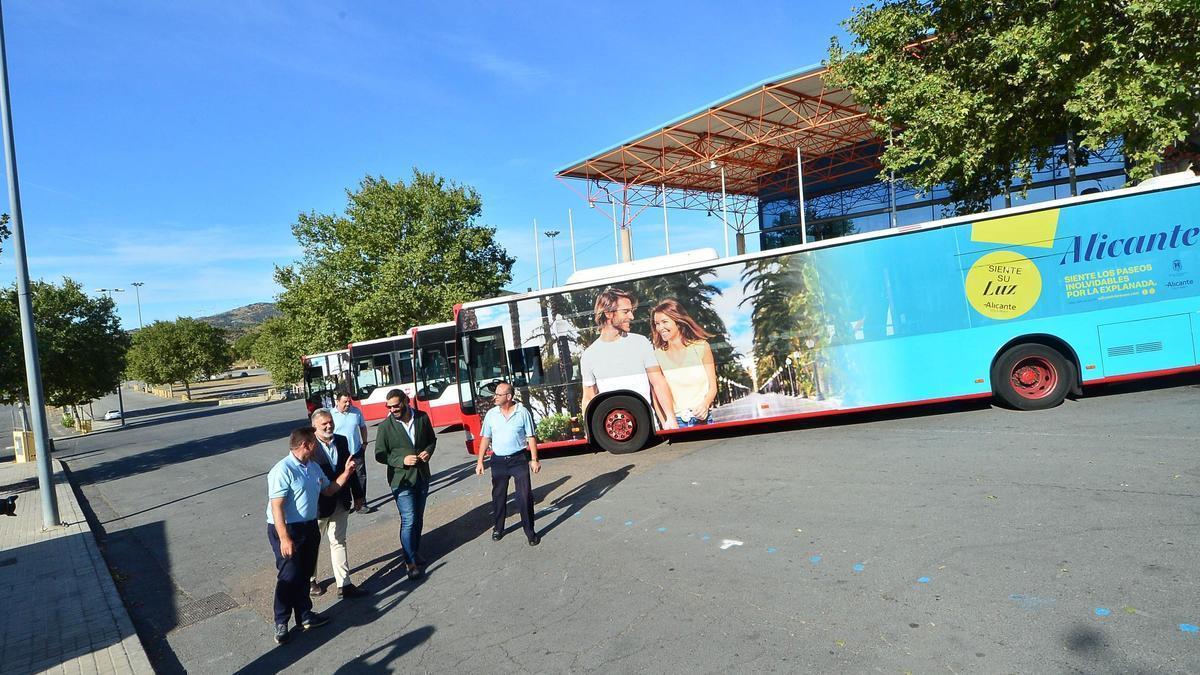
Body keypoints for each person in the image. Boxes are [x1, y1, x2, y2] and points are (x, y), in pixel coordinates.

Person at [266, 426, 358, 645]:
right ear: (305, 445)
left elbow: (329, 490)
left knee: (305, 573)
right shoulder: (282, 470)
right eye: (314, 443)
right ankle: (281, 622)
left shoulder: (313, 467)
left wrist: (346, 473)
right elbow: (276, 507)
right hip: (287, 529)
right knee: (289, 576)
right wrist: (285, 538)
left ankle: (304, 615)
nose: (317, 447)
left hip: (309, 526)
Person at [579, 287, 678, 429]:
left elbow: (658, 383)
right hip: (614, 436)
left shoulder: (641, 343)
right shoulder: (589, 355)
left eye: (631, 311)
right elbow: (588, 398)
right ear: (608, 313)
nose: (631, 317)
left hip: (649, 429)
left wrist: (670, 418)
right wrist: (589, 431)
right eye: (625, 312)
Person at [374, 388, 436, 580]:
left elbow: (431, 440)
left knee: (418, 517)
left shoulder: (422, 418)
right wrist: (401, 460)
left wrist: (427, 451)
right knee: (408, 519)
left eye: (396, 405)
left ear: (406, 401)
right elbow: (380, 454)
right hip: (401, 481)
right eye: (389, 407)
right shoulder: (385, 427)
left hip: (422, 476)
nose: (392, 410)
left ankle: (414, 551)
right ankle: (409, 562)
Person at [307, 408, 366, 599]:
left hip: (341, 500)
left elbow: (351, 468)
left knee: (339, 542)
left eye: (330, 421)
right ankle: (310, 581)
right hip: (318, 505)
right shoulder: (309, 446)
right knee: (313, 544)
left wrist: (358, 495)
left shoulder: (341, 440)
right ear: (314, 426)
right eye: (323, 423)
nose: (329, 425)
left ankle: (344, 584)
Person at [474, 381, 541, 545]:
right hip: (498, 461)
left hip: (518, 459)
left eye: (498, 394)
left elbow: (531, 437)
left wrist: (534, 459)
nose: (494, 397)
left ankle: (530, 532)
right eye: (495, 394)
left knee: (524, 496)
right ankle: (498, 528)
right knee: (498, 496)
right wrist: (480, 461)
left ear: (509, 397)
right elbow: (486, 438)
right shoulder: (491, 414)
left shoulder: (522, 412)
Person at [651, 299, 719, 426]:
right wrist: (665, 423)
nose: (660, 328)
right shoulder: (656, 356)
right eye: (657, 324)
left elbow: (712, 388)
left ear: (678, 322)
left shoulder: (702, 347)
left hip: (703, 419)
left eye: (664, 322)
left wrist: (705, 405)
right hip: (676, 423)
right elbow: (656, 395)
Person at [331, 392, 372, 513]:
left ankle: (361, 503)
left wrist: (364, 443)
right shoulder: (331, 415)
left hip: (356, 451)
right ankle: (346, 503)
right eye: (345, 402)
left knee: (361, 477)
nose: (348, 404)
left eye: (349, 401)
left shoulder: (356, 412)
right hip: (340, 454)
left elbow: (363, 427)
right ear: (337, 402)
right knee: (344, 478)